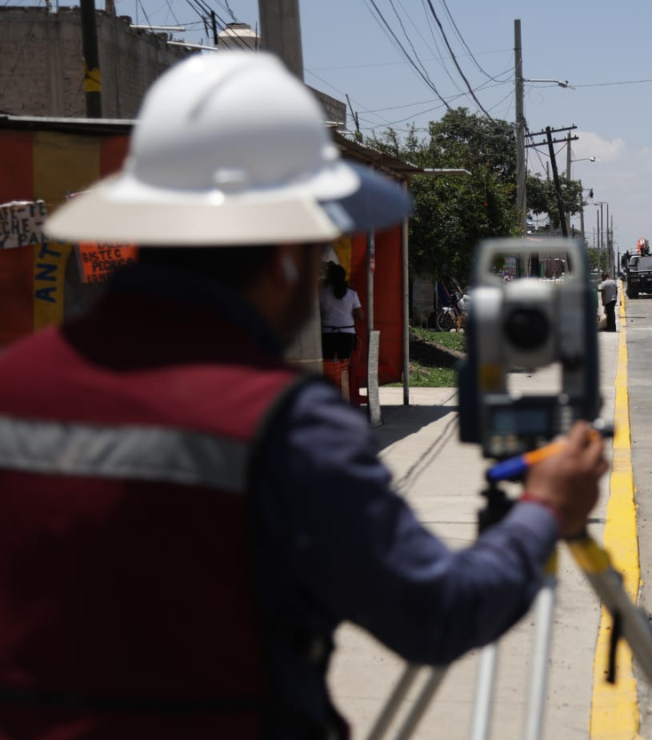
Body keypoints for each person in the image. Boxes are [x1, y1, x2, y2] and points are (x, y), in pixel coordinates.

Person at [0, 52, 607, 740]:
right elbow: (438, 613)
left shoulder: (14, 383)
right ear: (286, 255)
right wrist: (544, 510)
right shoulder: (286, 425)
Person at [319, 262, 362, 360]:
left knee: (328, 363)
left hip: (327, 333)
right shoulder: (352, 294)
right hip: (347, 333)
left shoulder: (321, 293)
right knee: (344, 364)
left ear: (329, 277)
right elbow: (360, 316)